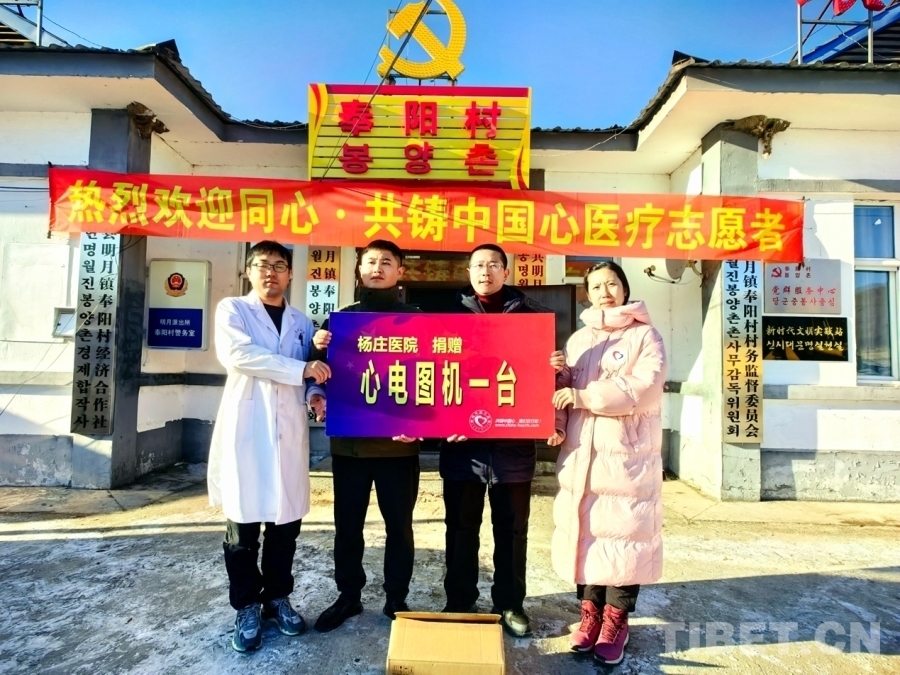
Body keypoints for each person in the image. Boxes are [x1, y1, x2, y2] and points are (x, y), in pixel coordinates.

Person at [207, 240, 330, 653]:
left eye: (279, 265)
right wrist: (302, 369)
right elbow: (239, 356)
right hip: (247, 429)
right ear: (248, 271)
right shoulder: (233, 310)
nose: (270, 273)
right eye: (262, 265)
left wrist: (315, 393)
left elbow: (312, 372)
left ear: (290, 274)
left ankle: (277, 598)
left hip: (288, 432)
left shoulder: (301, 322)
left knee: (285, 526)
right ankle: (246, 606)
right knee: (242, 529)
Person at [548, 261, 666, 665]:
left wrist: (584, 397)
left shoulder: (645, 336)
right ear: (587, 294)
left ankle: (616, 621)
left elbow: (644, 387)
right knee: (585, 534)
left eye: (612, 284)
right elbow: (563, 388)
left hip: (626, 456)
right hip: (581, 452)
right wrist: (556, 423)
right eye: (596, 286)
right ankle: (589, 615)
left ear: (625, 288)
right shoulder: (579, 339)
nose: (605, 292)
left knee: (624, 535)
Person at [310, 240, 422, 632]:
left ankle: (396, 598)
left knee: (399, 528)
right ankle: (348, 596)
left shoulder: (417, 321)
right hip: (350, 446)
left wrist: (421, 425)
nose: (377, 267)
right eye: (370, 261)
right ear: (359, 269)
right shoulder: (339, 321)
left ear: (399, 271)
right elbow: (317, 373)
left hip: (399, 449)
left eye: (386, 262)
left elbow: (435, 376)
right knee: (348, 527)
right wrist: (316, 366)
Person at [440, 243, 550, 638]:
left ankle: (509, 603)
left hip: (512, 447)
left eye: (493, 265)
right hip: (462, 447)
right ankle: (459, 600)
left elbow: (541, 379)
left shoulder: (532, 318)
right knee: (460, 529)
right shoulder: (446, 318)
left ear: (506, 271)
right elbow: (432, 375)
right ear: (468, 272)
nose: (485, 271)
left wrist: (554, 367)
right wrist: (440, 421)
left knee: (513, 532)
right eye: (478, 265)